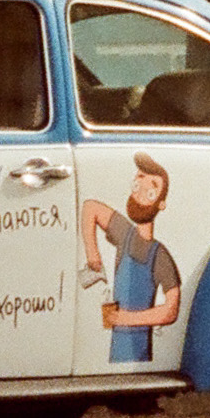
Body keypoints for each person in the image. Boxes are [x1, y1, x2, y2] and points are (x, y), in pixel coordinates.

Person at [79, 153, 181, 362]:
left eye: (151, 190)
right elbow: (91, 208)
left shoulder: (159, 255)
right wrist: (92, 252)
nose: (141, 192)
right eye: (138, 182)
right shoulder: (124, 233)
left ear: (161, 203)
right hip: (115, 345)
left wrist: (126, 318)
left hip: (138, 351)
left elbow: (171, 309)